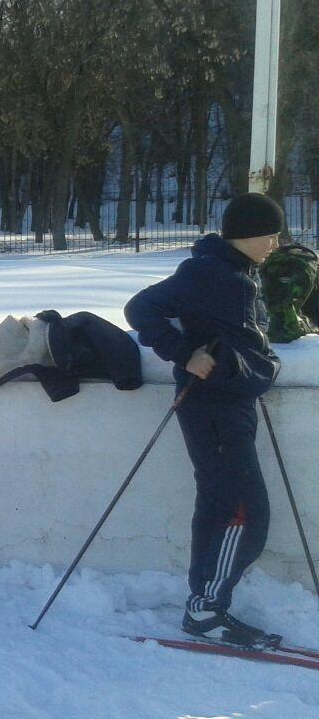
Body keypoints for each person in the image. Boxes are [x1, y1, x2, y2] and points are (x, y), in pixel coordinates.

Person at [124, 192, 284, 648]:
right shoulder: (207, 272)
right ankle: (207, 607)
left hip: (232, 403)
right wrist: (183, 354)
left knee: (219, 504)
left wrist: (252, 369)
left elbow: (243, 336)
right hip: (211, 406)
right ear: (247, 234)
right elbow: (140, 310)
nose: (275, 243)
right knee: (244, 511)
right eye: (270, 235)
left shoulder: (238, 272)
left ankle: (205, 604)